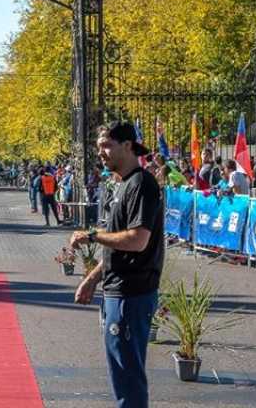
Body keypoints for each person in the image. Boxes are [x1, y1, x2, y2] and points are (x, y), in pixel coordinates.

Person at [71, 121, 163, 408]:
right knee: (121, 372)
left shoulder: (141, 184)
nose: (101, 152)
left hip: (132, 293)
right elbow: (117, 247)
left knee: (128, 376)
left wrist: (93, 235)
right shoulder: (123, 185)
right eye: (99, 146)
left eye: (107, 145)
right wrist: (92, 278)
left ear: (127, 145)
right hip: (118, 291)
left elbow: (137, 240)